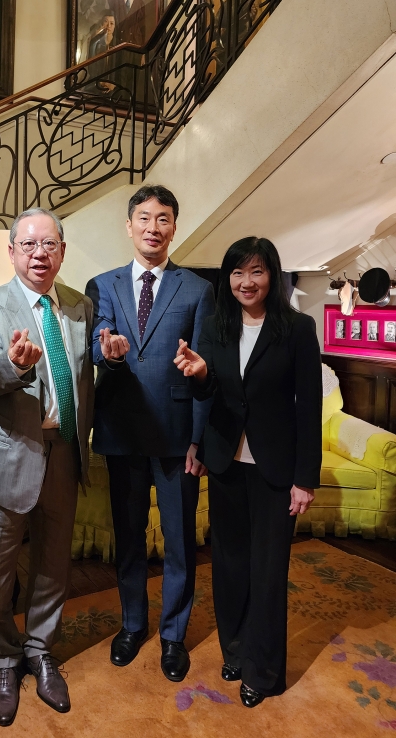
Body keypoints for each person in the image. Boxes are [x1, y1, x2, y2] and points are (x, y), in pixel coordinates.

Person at [175, 236, 322, 707]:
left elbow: (309, 406)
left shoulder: (297, 328)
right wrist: (199, 378)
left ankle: (264, 670)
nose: (246, 281)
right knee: (231, 565)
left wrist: (306, 477)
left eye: (256, 271)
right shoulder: (217, 327)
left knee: (268, 571)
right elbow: (210, 394)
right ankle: (235, 648)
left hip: (275, 468)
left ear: (272, 275)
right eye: (237, 272)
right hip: (224, 462)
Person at [0, 208, 94, 727]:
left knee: (52, 563)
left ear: (62, 251)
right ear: (13, 251)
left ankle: (41, 650)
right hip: (9, 454)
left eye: (50, 244)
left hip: (64, 452)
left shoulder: (82, 308)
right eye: (29, 244)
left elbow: (88, 377)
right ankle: (3, 659)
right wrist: (15, 365)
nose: (39, 253)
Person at [85, 185, 215, 682]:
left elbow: (202, 371)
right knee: (129, 537)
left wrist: (199, 440)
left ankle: (174, 636)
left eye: (163, 219)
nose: (153, 227)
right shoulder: (104, 285)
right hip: (122, 431)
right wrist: (109, 352)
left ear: (174, 228)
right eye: (144, 217)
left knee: (181, 541)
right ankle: (133, 624)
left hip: (178, 437)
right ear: (129, 225)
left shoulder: (198, 289)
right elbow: (98, 350)